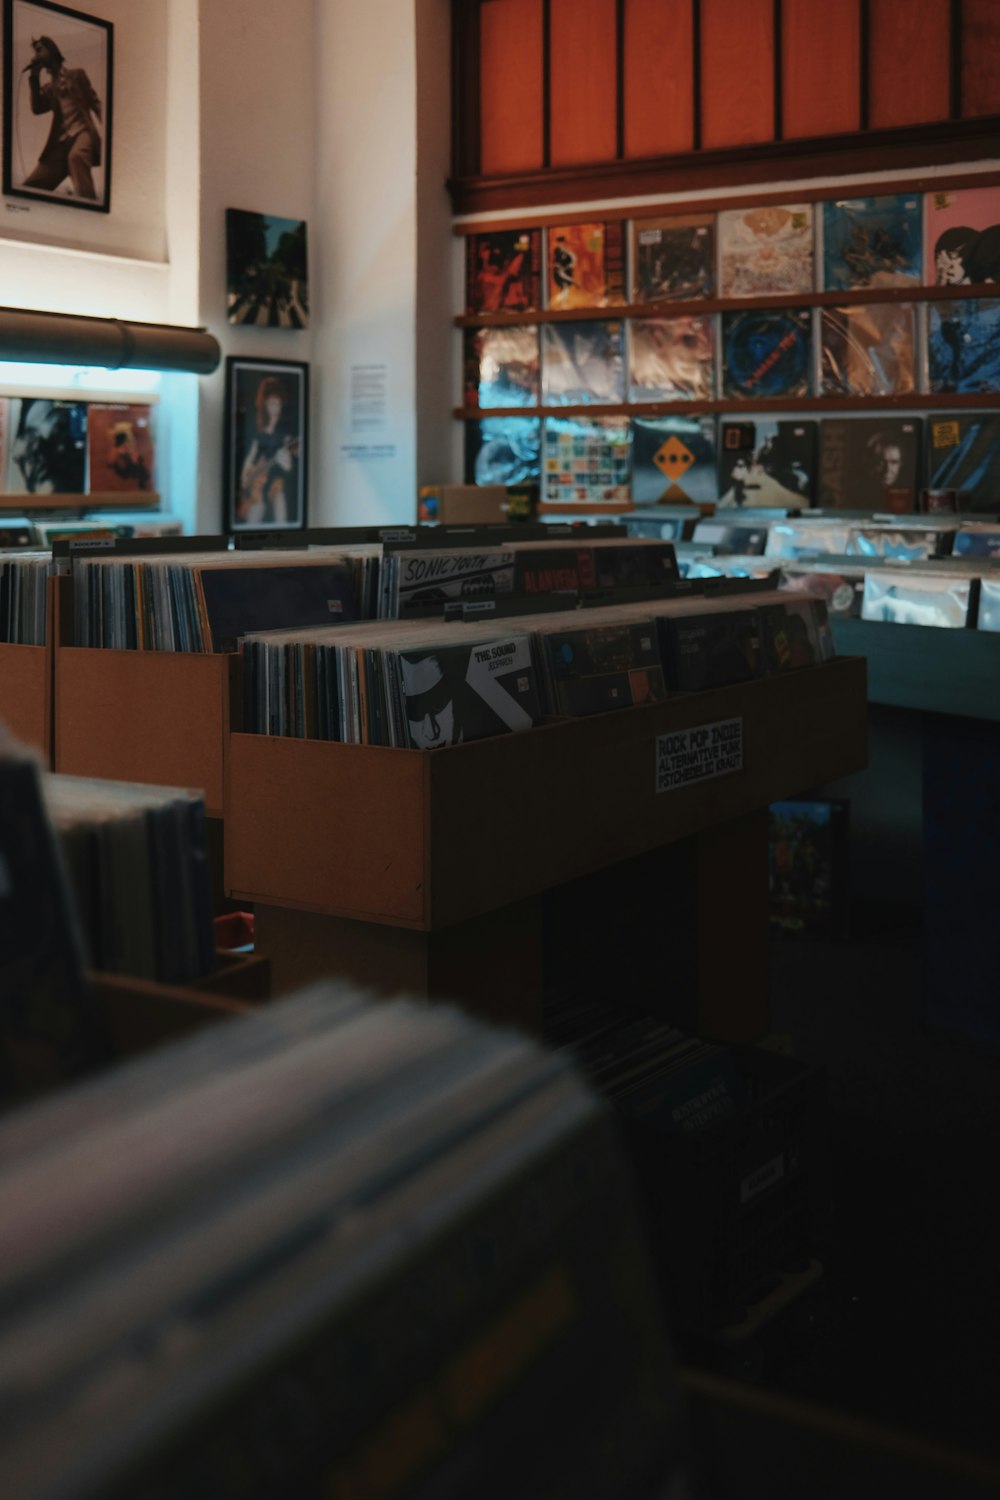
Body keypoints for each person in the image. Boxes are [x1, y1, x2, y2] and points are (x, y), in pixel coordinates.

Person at [22, 34, 102, 200]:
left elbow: (96, 104)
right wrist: (34, 78)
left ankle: (87, 208)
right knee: (29, 187)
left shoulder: (77, 75)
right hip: (60, 143)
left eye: (39, 50)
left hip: (82, 133)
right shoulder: (49, 88)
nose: (36, 55)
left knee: (76, 157)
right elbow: (37, 108)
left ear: (51, 49)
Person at [238, 377, 297, 525]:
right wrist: (245, 476)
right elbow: (250, 458)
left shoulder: (285, 434)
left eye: (277, 403)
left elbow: (288, 466)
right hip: (259, 482)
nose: (274, 407)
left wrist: (284, 460)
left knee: (280, 515)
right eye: (271, 404)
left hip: (276, 480)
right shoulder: (260, 432)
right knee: (253, 517)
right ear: (265, 405)